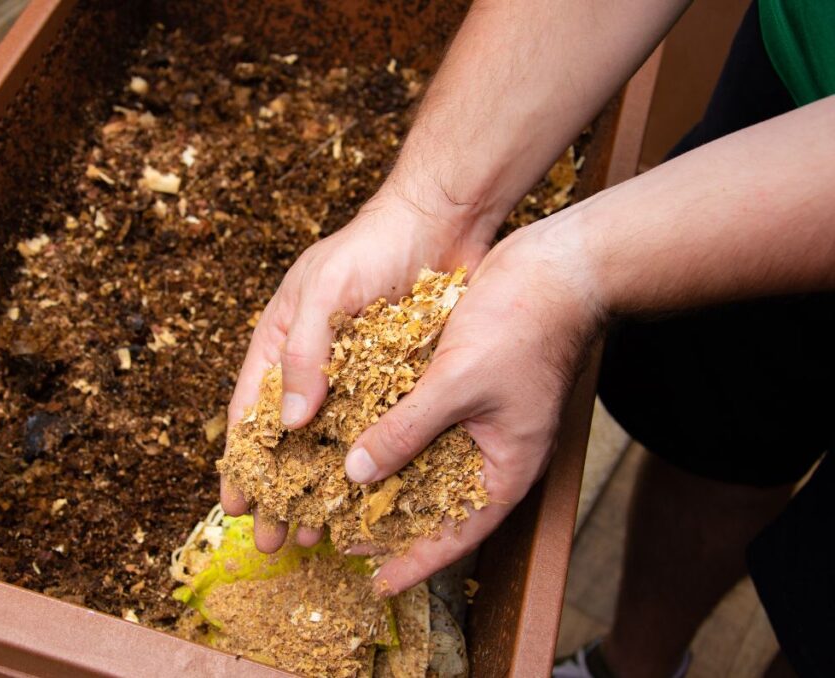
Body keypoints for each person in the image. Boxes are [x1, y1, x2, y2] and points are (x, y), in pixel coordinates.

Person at [221, 1, 835, 676]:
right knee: (720, 429)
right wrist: (427, 203)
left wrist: (569, 276)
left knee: (820, 623)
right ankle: (630, 665)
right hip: (805, 68)